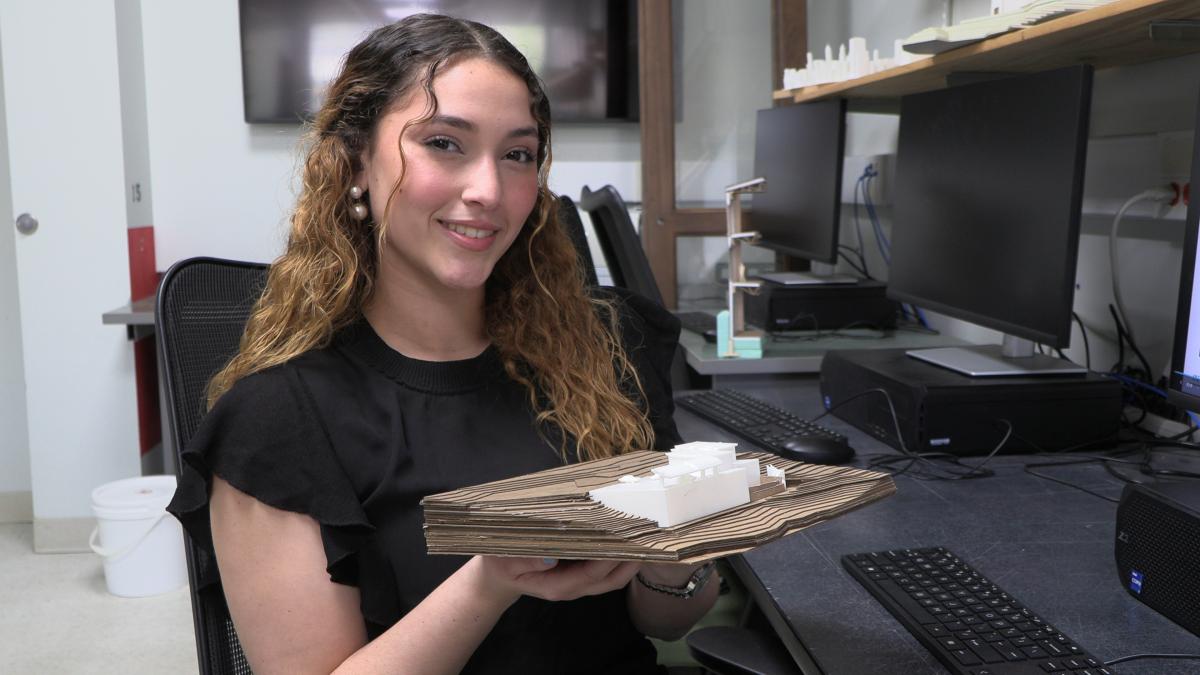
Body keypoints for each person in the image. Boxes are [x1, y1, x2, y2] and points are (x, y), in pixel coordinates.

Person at [168, 13, 720, 675]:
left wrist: (676, 557)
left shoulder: (608, 347)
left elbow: (664, 618)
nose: (488, 191)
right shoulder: (278, 421)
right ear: (356, 161)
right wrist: (491, 578)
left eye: (517, 154)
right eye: (444, 143)